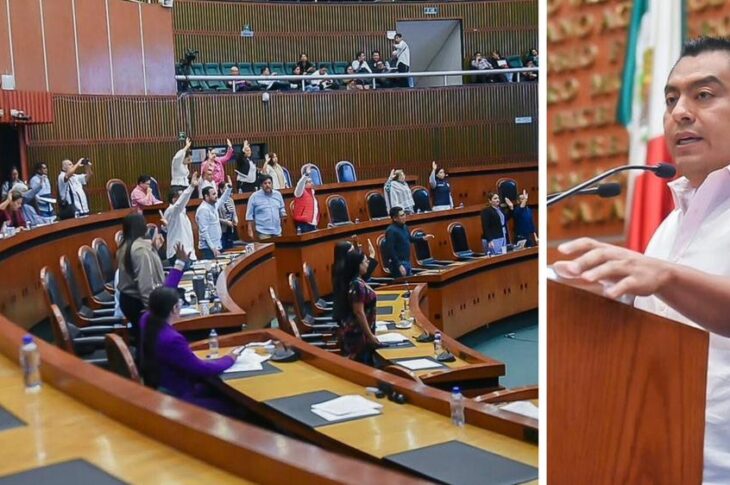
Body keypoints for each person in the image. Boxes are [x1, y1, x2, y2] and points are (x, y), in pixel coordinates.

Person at [552, 37, 730, 484]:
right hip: (658, 460)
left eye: (703, 95)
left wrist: (665, 277)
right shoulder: (669, 228)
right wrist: (599, 297)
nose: (680, 112)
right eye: (671, 100)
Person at [139, 256, 241, 416]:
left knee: (220, 391)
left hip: (163, 387)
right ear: (174, 309)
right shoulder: (172, 340)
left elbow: (163, 293)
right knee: (237, 408)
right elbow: (201, 369)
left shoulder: (146, 319)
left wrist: (179, 264)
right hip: (179, 398)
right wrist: (230, 359)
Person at [117, 213, 168, 336]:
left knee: (141, 337)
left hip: (128, 300)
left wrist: (153, 248)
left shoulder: (125, 246)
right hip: (138, 302)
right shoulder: (140, 250)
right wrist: (154, 311)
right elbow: (145, 285)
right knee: (148, 339)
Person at [333, 250, 380, 365]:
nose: (367, 263)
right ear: (358, 265)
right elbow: (359, 312)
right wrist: (370, 336)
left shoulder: (356, 281)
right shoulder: (357, 285)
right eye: (365, 261)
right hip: (358, 335)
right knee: (361, 366)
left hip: (360, 333)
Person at [331, 239, 379, 323]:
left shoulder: (339, 267)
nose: (354, 252)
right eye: (352, 250)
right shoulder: (343, 272)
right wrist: (371, 256)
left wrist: (371, 256)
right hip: (347, 318)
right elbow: (358, 311)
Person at [383, 206, 433, 277]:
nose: (404, 217)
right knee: (405, 283)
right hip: (398, 265)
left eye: (404, 214)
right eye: (401, 215)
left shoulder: (404, 226)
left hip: (407, 261)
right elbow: (390, 250)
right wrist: (399, 265)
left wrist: (423, 238)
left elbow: (409, 238)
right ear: (395, 218)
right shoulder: (391, 231)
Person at [164, 172, 199, 266]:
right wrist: (191, 187)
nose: (184, 200)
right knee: (179, 276)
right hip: (178, 254)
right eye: (180, 197)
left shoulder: (183, 213)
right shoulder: (172, 211)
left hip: (188, 254)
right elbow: (179, 204)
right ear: (173, 199)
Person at [196, 177, 233, 259]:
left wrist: (229, 188)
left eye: (216, 193)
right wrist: (213, 249)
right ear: (206, 196)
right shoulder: (203, 210)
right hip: (208, 248)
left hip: (217, 244)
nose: (216, 196)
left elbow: (223, 199)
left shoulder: (214, 204)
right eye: (213, 194)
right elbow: (204, 232)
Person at [246, 174, 286, 240]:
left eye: (269, 183)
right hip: (263, 232)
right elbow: (249, 215)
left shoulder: (278, 194)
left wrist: (283, 215)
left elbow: (282, 208)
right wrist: (250, 230)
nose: (267, 185)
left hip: (277, 231)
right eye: (265, 183)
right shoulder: (254, 196)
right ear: (261, 185)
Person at [292, 167, 319, 234]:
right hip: (304, 224)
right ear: (304, 184)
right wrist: (306, 175)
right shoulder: (299, 192)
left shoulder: (312, 192)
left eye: (311, 181)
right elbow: (300, 184)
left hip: (312, 223)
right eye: (309, 182)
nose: (312, 183)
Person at [217, 181, 238, 250]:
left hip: (231, 227)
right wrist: (226, 222)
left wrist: (235, 219)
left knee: (231, 247)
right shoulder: (218, 202)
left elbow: (234, 213)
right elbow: (216, 218)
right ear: (221, 190)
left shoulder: (231, 200)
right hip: (222, 229)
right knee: (224, 248)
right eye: (225, 188)